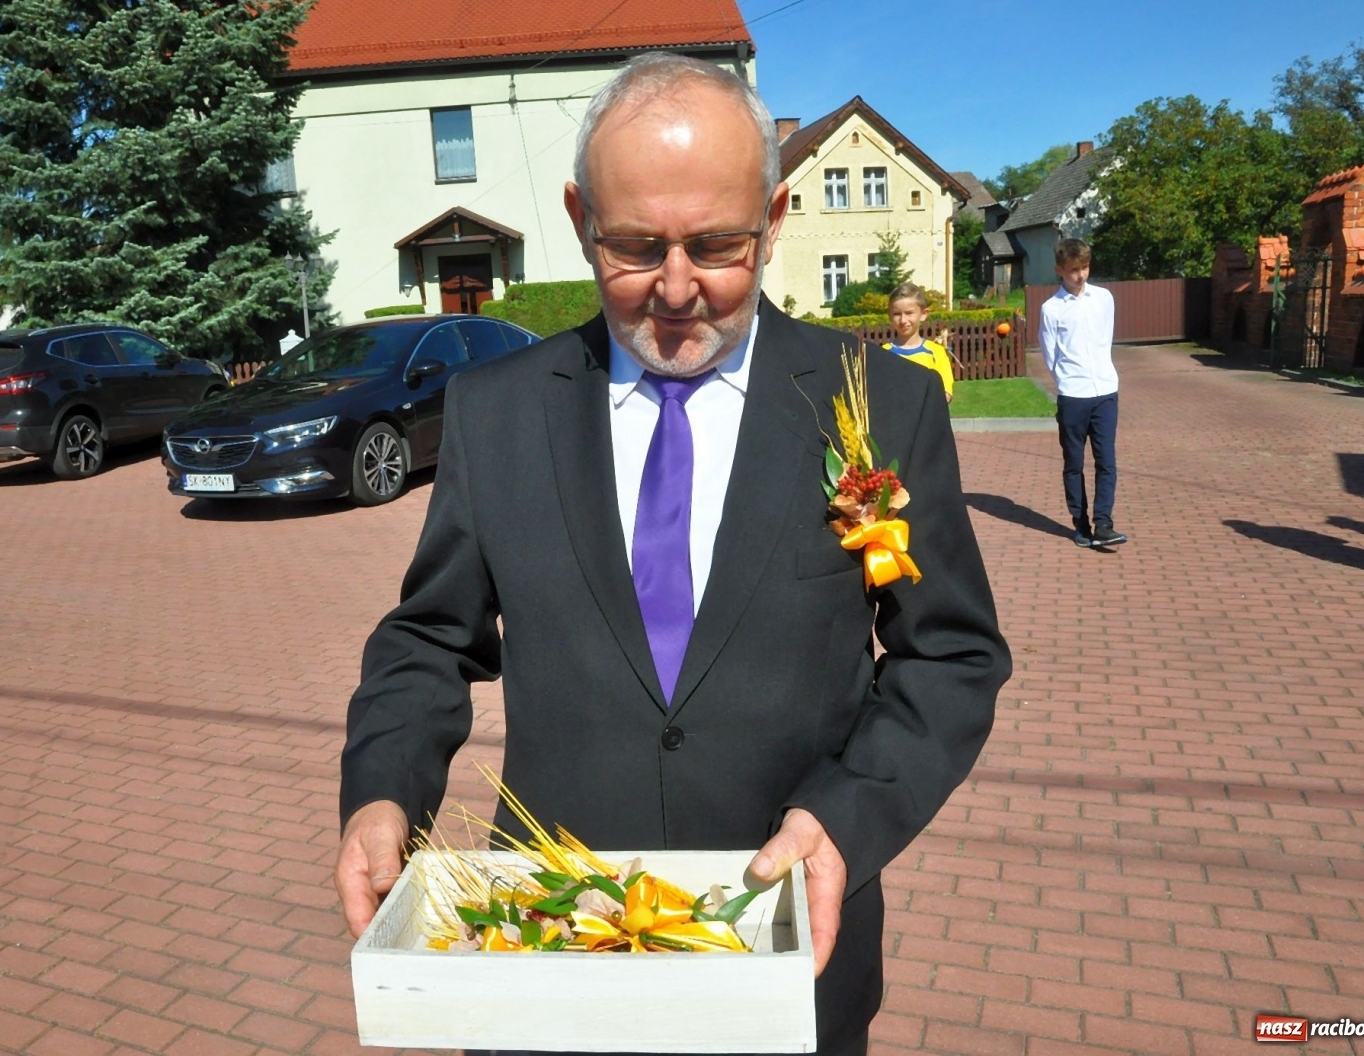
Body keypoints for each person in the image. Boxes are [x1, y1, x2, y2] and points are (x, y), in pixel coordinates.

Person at [335, 52, 1010, 1056]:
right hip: (548, 958)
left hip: (788, 956)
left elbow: (949, 655)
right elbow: (429, 637)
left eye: (719, 243)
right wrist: (384, 788)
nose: (679, 288)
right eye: (637, 245)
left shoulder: (884, 403)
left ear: (775, 218)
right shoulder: (497, 411)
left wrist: (847, 816)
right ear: (578, 218)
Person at [1038, 238, 1127, 549]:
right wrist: (1066, 382)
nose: (1080, 275)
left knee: (1106, 460)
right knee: (1074, 463)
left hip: (1105, 390)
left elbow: (1106, 336)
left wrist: (1101, 372)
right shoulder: (1051, 309)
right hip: (1073, 395)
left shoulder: (1104, 298)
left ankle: (1104, 523)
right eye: (1074, 270)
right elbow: (1050, 354)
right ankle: (1081, 524)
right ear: (1060, 270)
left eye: (1085, 268)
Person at [883, 282, 954, 402]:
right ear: (889, 316)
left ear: (923, 314)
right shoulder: (884, 353)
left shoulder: (937, 353)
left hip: (927, 419)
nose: (903, 320)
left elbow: (945, 395)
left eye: (909, 313)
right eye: (896, 314)